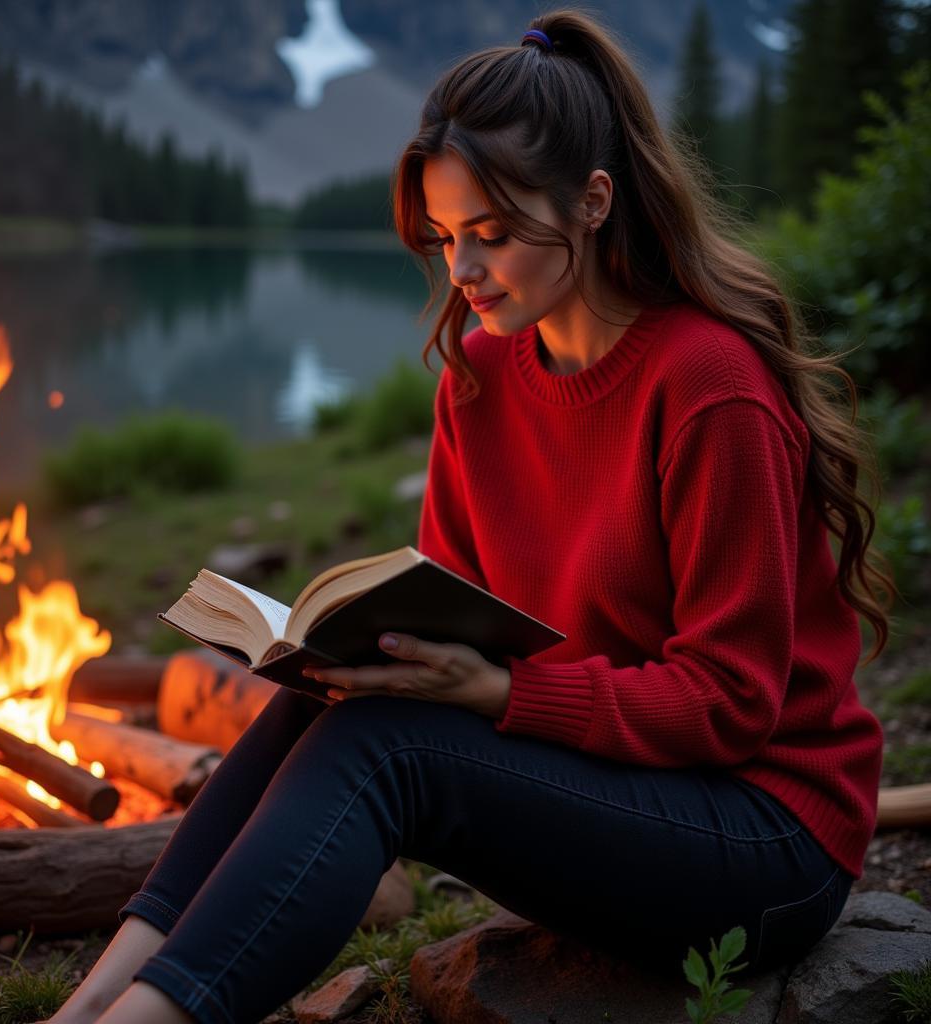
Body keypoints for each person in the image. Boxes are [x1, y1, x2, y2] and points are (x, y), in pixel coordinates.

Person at [45, 10, 890, 1024]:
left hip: (763, 840)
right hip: (618, 786)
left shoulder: (709, 386)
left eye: (490, 235)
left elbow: (729, 702)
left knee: (391, 747)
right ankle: (97, 999)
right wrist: (366, 652)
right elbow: (445, 606)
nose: (462, 269)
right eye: (445, 238)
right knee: (336, 698)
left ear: (592, 201)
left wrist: (495, 690)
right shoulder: (482, 378)